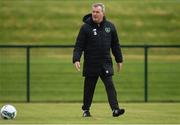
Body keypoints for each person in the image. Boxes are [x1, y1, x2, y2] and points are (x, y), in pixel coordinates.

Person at [73, 3, 125, 117]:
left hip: (105, 63)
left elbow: (115, 45)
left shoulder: (110, 27)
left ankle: (115, 110)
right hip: (91, 64)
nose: (95, 14)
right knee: (89, 89)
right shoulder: (85, 27)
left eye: (97, 12)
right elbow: (79, 45)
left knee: (110, 85)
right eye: (93, 12)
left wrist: (119, 59)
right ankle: (86, 110)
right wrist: (76, 59)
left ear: (103, 13)